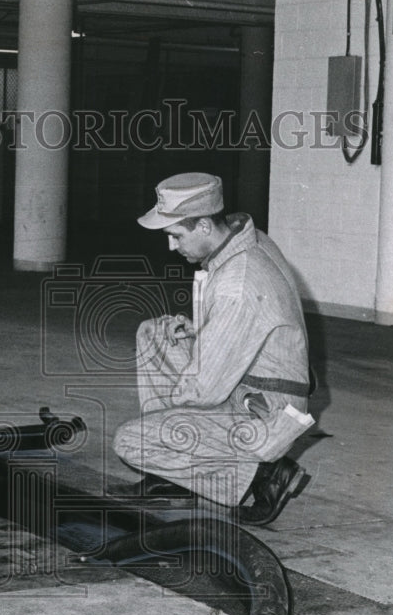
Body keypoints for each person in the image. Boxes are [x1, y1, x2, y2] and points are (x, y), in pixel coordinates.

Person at [112, 172, 313, 525]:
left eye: (176, 235)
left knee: (132, 441)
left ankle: (266, 473)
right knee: (154, 334)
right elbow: (249, 326)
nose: (171, 246)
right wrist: (200, 332)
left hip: (266, 409)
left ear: (204, 225)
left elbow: (204, 389)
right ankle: (176, 478)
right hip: (253, 384)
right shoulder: (248, 240)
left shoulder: (238, 282)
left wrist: (166, 416)